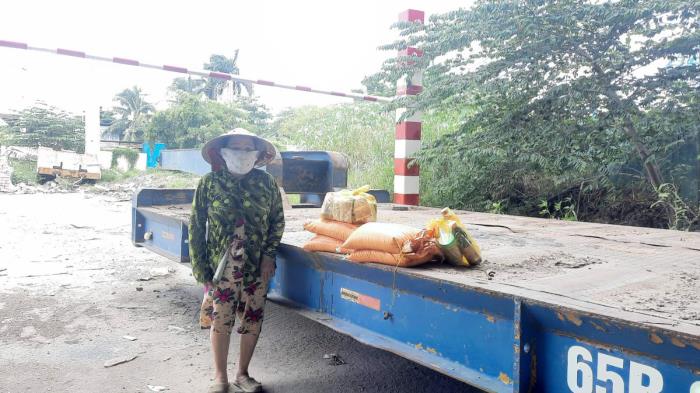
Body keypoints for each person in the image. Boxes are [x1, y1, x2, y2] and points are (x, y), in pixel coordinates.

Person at [189, 128, 285, 393]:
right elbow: (196, 226)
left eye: (248, 149)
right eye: (236, 148)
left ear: (257, 155)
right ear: (222, 152)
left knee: (252, 317)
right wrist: (201, 268)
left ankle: (243, 374)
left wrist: (269, 256)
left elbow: (277, 220)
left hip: (257, 265)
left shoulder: (266, 185)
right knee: (221, 318)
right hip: (223, 266)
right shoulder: (209, 183)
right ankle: (220, 377)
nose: (242, 154)